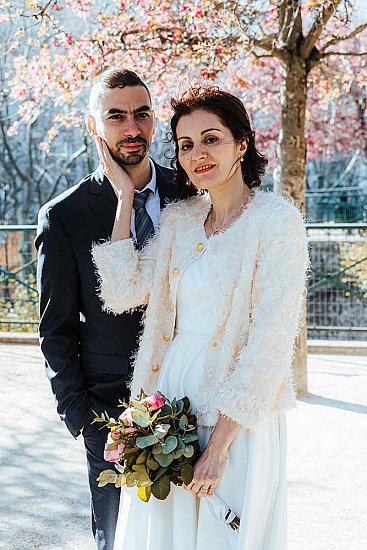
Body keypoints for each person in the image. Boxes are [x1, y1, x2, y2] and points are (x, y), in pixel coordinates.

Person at [91, 85, 309, 550]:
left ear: (243, 143)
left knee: (223, 533)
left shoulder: (277, 222)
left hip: (237, 411)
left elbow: (269, 343)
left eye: (211, 139)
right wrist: (124, 197)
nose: (197, 154)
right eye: (186, 145)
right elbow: (121, 290)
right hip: (170, 400)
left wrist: (221, 446)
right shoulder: (182, 218)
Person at [35, 68, 195, 550]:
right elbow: (55, 331)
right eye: (116, 116)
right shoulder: (64, 215)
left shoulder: (191, 193)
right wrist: (81, 418)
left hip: (191, 397)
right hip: (112, 413)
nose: (132, 128)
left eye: (141, 114)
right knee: (118, 540)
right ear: (94, 126)